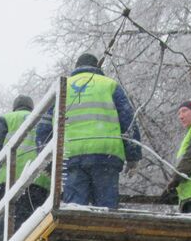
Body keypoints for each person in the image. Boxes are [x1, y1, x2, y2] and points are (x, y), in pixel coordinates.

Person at [37, 52, 141, 209]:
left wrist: (47, 161)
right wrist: (133, 156)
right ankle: (106, 232)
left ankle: (76, 232)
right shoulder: (109, 85)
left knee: (75, 210)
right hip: (106, 154)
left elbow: (44, 128)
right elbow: (128, 120)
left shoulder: (61, 88)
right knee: (106, 208)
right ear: (97, 67)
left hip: (71, 155)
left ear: (76, 68)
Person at [0, 94, 50, 237]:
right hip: (41, 179)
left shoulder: (6, 119)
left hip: (12, 180)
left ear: (15, 107)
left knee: (9, 225)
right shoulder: (43, 120)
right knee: (37, 222)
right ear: (31, 108)